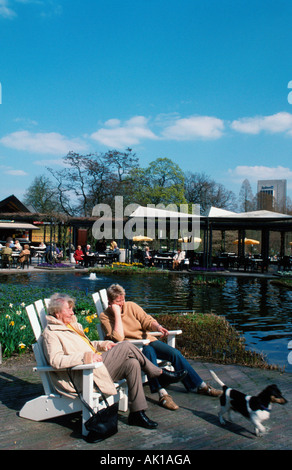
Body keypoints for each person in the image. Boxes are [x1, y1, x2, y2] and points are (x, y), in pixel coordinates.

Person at [42, 293, 187, 430]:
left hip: (97, 368)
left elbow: (86, 345)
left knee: (132, 364)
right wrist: (86, 357)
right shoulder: (51, 334)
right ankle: (158, 373)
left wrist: (104, 345)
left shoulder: (71, 327)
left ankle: (137, 413)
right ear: (57, 313)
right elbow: (55, 360)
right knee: (126, 345)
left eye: (72, 309)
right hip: (83, 376)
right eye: (69, 310)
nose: (73, 313)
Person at [100, 284, 222, 411]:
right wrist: (117, 314)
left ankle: (200, 386)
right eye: (117, 302)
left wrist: (157, 327)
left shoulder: (131, 306)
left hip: (148, 340)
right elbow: (118, 338)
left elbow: (146, 320)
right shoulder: (105, 316)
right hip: (132, 348)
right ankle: (162, 394)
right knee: (149, 352)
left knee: (174, 353)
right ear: (110, 301)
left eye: (123, 300)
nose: (122, 304)